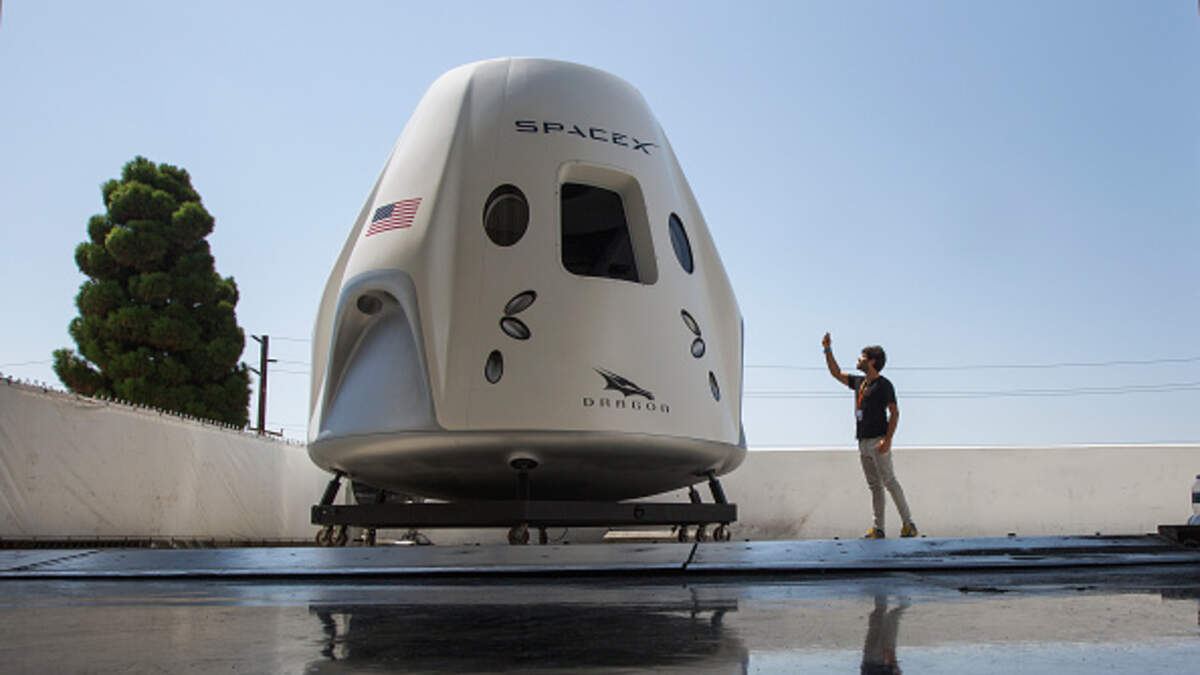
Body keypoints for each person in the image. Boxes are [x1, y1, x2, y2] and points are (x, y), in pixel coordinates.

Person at [822, 332, 917, 539]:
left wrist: (887, 440)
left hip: (878, 441)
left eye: (862, 357)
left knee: (889, 481)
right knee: (875, 486)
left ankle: (908, 524)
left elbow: (894, 413)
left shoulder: (884, 385)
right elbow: (836, 373)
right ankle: (878, 528)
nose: (858, 359)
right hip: (862, 442)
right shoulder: (859, 383)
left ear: (872, 361)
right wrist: (827, 350)